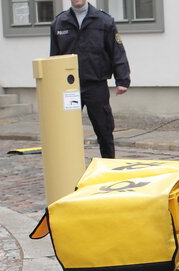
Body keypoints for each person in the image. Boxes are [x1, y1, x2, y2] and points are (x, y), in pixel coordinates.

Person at [50, 0, 130, 159]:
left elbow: (116, 51)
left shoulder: (103, 20)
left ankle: (108, 164)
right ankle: (69, 166)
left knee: (104, 128)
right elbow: (54, 56)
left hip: (95, 84)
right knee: (65, 129)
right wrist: (53, 84)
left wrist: (122, 80)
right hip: (69, 87)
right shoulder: (59, 22)